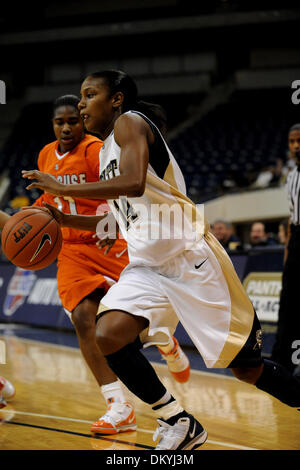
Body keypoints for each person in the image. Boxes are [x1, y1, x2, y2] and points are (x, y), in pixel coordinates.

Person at [22, 70, 300, 450]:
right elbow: (122, 215)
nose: (82, 104)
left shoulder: (130, 123)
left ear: (117, 99)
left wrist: (62, 187)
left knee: (247, 369)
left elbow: (134, 182)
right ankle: (179, 421)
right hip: (148, 268)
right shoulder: (105, 152)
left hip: (190, 260)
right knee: (107, 333)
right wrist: (65, 218)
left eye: (90, 95)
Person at [0, 96, 190, 435]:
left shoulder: (97, 150)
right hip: (72, 247)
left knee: (134, 319)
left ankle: (162, 339)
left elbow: (121, 194)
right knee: (83, 318)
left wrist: (106, 225)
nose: (67, 127)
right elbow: (49, 202)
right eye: (60, 122)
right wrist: (30, 218)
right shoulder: (46, 155)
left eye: (74, 120)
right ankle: (118, 404)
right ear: (53, 124)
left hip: (109, 238)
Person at [271, 123, 300, 375]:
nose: (295, 146)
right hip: (296, 241)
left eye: (298, 140)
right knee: (289, 303)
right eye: (291, 141)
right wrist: (288, 255)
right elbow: (292, 219)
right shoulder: (291, 177)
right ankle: (284, 359)